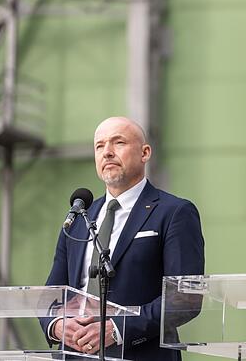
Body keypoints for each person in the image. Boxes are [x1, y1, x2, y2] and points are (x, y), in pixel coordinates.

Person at [41, 117, 205, 361]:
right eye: (99, 146)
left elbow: (185, 297)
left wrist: (118, 329)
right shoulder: (78, 218)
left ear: (145, 153)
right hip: (76, 355)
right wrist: (56, 325)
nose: (107, 152)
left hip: (143, 354)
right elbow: (51, 295)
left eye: (118, 143)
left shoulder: (174, 212)